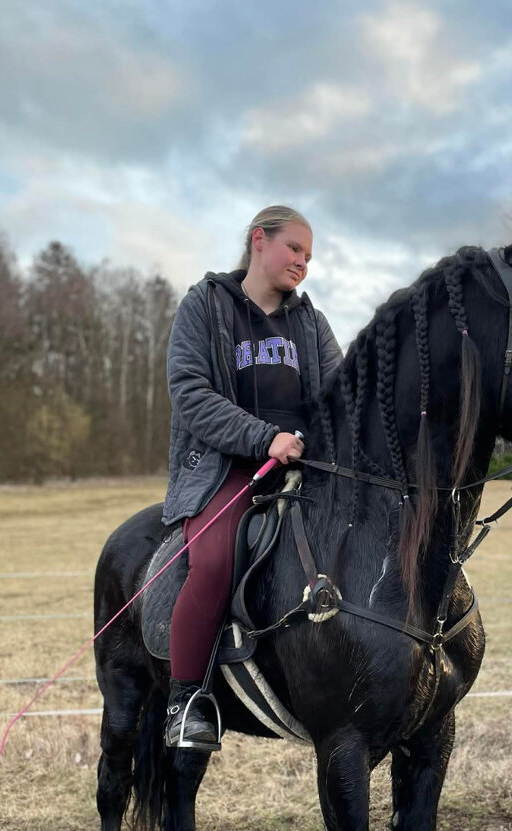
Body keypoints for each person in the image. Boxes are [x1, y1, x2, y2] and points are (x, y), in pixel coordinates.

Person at [161, 205, 342, 750]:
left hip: (306, 467)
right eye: (295, 248)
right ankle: (186, 701)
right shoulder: (204, 305)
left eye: (309, 256)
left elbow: (340, 397)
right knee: (215, 563)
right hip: (226, 468)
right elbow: (190, 393)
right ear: (259, 240)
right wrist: (265, 438)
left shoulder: (310, 322)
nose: (303, 262)